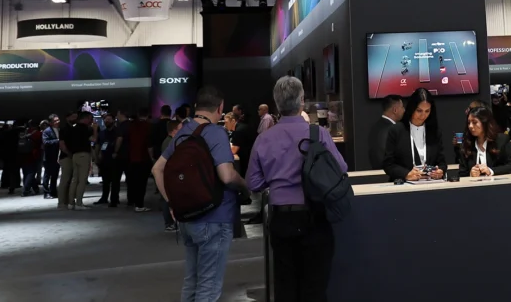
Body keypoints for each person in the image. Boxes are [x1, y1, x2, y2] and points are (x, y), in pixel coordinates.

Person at [246, 77, 346, 302]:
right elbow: (341, 169)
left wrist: (276, 180)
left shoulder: (264, 139)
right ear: (302, 100)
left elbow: (253, 183)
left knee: (285, 286)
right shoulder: (318, 134)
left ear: (276, 103)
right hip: (314, 216)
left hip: (282, 218)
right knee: (315, 287)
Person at [153, 87, 247, 302]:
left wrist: (172, 202)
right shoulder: (216, 132)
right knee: (208, 286)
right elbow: (227, 176)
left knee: (192, 281)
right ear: (220, 108)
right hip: (215, 217)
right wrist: (244, 185)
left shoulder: (183, 132)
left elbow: (157, 169)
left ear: (196, 106)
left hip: (187, 217)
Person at [383, 87, 446, 181]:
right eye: (419, 111)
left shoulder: (435, 132)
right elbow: (388, 164)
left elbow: (442, 162)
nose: (423, 115)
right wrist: (406, 174)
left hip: (430, 184)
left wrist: (440, 171)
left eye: (427, 111)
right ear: (412, 108)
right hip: (404, 185)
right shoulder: (396, 130)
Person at [458, 106, 511, 177]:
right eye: (469, 123)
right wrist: (470, 174)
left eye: (474, 122)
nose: (470, 126)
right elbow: (462, 173)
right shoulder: (466, 144)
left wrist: (490, 171)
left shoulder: (501, 140)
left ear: (485, 123)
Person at [58, 111, 94, 210]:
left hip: (73, 156)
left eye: (76, 117)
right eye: (73, 117)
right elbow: (62, 145)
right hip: (68, 156)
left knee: (73, 180)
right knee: (70, 180)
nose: (75, 119)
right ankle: (65, 202)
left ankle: (70, 202)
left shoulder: (73, 129)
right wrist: (69, 154)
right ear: (67, 118)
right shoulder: (66, 129)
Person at [123, 107, 153, 212]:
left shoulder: (131, 126)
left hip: (131, 158)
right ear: (147, 115)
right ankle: (139, 205)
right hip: (143, 158)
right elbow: (149, 144)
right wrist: (152, 158)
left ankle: (131, 201)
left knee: (132, 181)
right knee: (141, 183)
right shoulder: (148, 126)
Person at [368, 95, 404, 170]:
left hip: (377, 173)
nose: (404, 110)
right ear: (395, 110)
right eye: (402, 107)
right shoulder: (392, 130)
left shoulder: (375, 127)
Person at [95, 114, 122, 207]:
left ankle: (114, 199)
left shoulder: (117, 131)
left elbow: (119, 141)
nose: (107, 121)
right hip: (104, 158)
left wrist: (115, 152)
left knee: (115, 180)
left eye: (109, 119)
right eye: (105, 119)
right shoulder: (102, 133)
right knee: (105, 180)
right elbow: (98, 144)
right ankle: (104, 197)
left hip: (115, 159)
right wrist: (97, 155)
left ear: (113, 120)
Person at [160, 119, 181, 232]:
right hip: (169, 174)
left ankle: (170, 223)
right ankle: (169, 223)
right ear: (174, 130)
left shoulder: (168, 141)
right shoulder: (170, 143)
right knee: (168, 199)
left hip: (169, 174)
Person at [18, 120, 43, 197]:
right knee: (31, 173)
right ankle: (26, 190)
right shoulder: (38, 133)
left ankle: (35, 188)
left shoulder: (25, 132)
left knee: (26, 172)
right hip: (34, 155)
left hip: (23, 155)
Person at [41, 115, 60, 198]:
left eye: (58, 120)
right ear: (51, 122)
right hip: (49, 156)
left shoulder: (59, 130)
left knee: (55, 175)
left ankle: (53, 191)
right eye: (55, 121)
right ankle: (46, 193)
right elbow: (46, 142)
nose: (58, 122)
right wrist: (57, 141)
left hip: (57, 156)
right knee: (47, 175)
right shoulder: (47, 131)